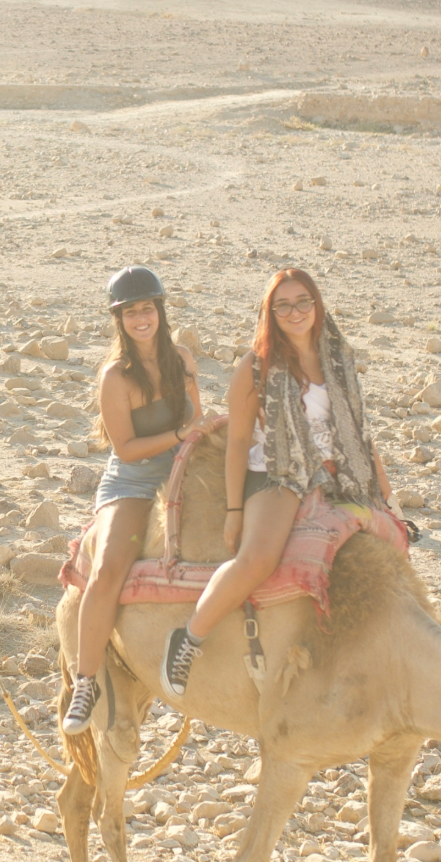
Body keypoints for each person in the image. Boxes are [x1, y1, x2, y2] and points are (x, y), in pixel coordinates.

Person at [159, 267, 391, 696]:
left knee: (387, 539)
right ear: (270, 313)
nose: (295, 312)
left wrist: (379, 481)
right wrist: (234, 511)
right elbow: (238, 441)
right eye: (282, 305)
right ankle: (189, 638)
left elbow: (355, 424)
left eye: (303, 301)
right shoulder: (256, 367)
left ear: (317, 305)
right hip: (278, 470)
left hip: (336, 469)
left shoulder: (337, 357)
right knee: (258, 559)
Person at [65, 267, 202, 735]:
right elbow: (125, 449)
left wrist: (198, 440)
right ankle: (86, 682)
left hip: (185, 471)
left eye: (148, 309)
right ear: (119, 320)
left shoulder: (182, 359)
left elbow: (198, 420)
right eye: (130, 313)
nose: (141, 319)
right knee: (107, 570)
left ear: (160, 311)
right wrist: (181, 434)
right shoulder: (115, 377)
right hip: (134, 482)